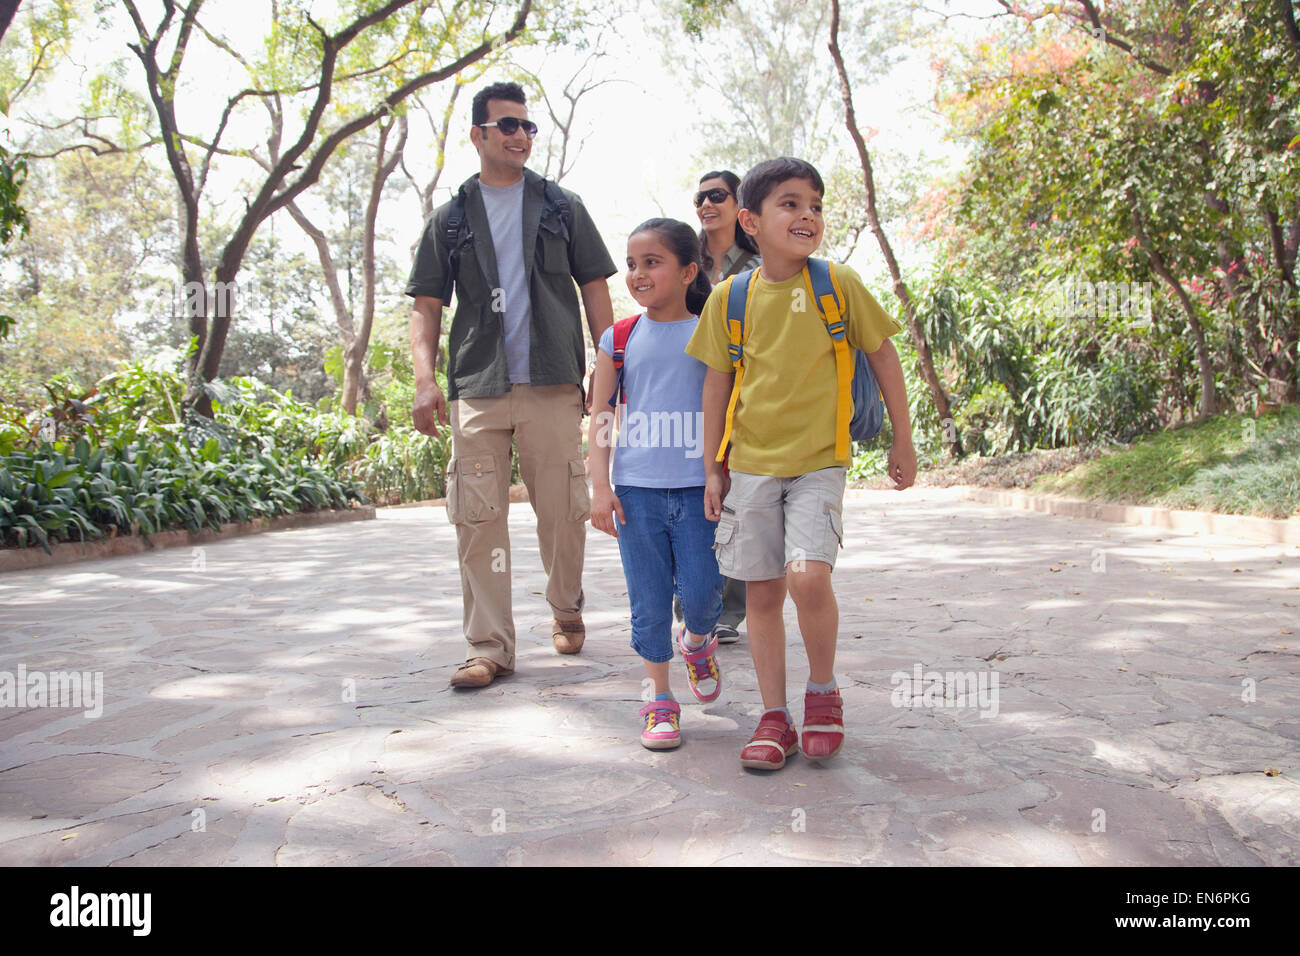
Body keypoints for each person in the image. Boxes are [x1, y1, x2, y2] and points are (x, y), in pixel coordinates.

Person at [686, 157, 917, 770]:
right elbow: (715, 384)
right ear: (750, 222)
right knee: (761, 594)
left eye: (814, 204)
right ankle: (773, 717)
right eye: (789, 203)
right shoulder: (731, 298)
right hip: (752, 465)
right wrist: (714, 466)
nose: (807, 214)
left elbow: (885, 357)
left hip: (820, 460)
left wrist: (904, 438)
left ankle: (822, 694)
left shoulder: (837, 283)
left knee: (808, 576)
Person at [406, 81, 616, 689]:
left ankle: (567, 606)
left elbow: (595, 287)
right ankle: (488, 646)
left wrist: (613, 368)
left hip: (552, 382)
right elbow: (426, 304)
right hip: (478, 383)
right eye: (508, 126)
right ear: (478, 135)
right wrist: (425, 379)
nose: (521, 135)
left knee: (563, 511)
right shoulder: (449, 220)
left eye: (527, 126)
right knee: (477, 519)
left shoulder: (561, 207)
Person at [587, 219, 724, 750]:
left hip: (698, 489)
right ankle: (658, 700)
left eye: (652, 262)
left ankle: (698, 642)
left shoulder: (712, 331)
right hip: (637, 491)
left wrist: (719, 472)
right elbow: (599, 416)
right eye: (631, 264)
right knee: (647, 602)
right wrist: (600, 487)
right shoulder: (617, 338)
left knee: (703, 591)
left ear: (689, 271)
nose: (638, 274)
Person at [671, 170, 762, 645]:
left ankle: (729, 611)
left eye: (717, 196)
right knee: (692, 498)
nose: (706, 204)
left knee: (738, 499)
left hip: (744, 392)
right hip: (688, 391)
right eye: (699, 197)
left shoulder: (761, 262)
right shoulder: (685, 260)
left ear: (738, 203)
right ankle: (691, 604)